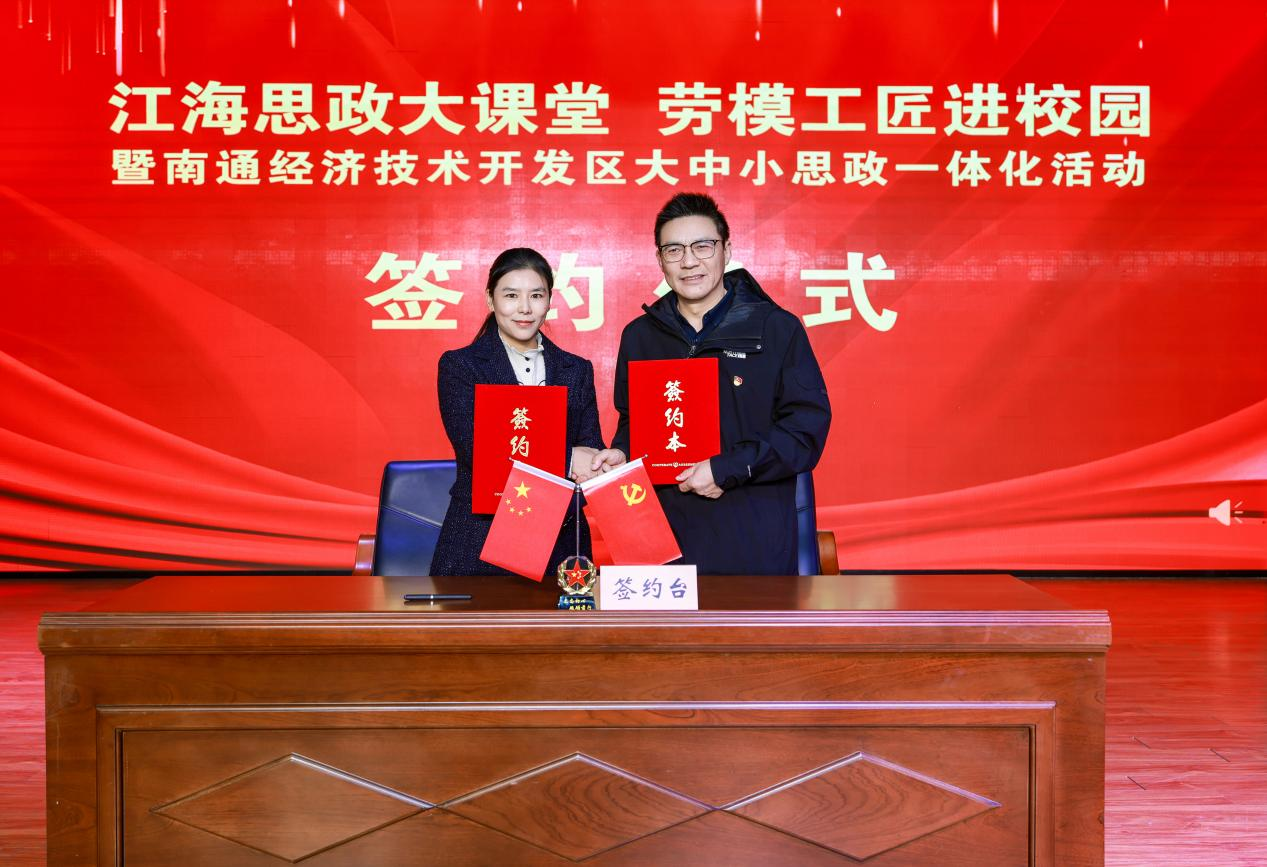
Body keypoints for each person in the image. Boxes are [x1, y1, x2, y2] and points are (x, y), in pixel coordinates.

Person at [606, 193, 832, 574]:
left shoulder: (776, 329)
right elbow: (634, 423)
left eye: (703, 246)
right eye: (674, 250)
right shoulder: (640, 337)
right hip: (664, 541)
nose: (689, 261)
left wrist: (729, 468)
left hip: (752, 539)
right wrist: (621, 453)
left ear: (727, 250)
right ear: (660, 259)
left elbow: (804, 431)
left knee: (749, 615)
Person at [430, 247, 623, 576]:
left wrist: (604, 461)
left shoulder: (575, 369)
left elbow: (589, 445)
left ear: (549, 300)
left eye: (536, 295)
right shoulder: (461, 366)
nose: (524, 308)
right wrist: (567, 460)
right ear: (490, 299)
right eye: (511, 295)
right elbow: (477, 451)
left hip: (560, 542)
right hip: (479, 537)